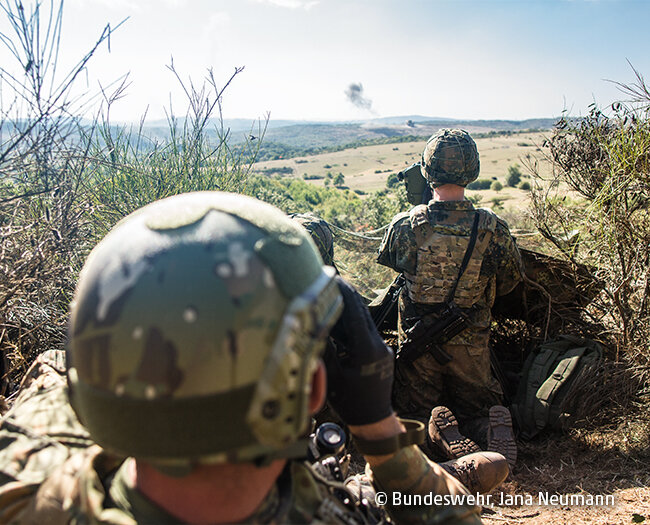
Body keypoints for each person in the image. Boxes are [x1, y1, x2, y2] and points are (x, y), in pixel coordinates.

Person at [0, 191, 503, 524]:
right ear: (312, 390)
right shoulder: (334, 516)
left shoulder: (25, 486)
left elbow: (55, 381)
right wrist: (380, 432)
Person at [377, 129, 523, 468]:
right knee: (477, 408)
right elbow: (511, 281)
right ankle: (487, 432)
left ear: (427, 171)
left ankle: (439, 438)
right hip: (472, 345)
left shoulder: (404, 226)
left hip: (417, 347)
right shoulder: (492, 227)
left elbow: (395, 272)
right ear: (472, 171)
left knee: (414, 415)